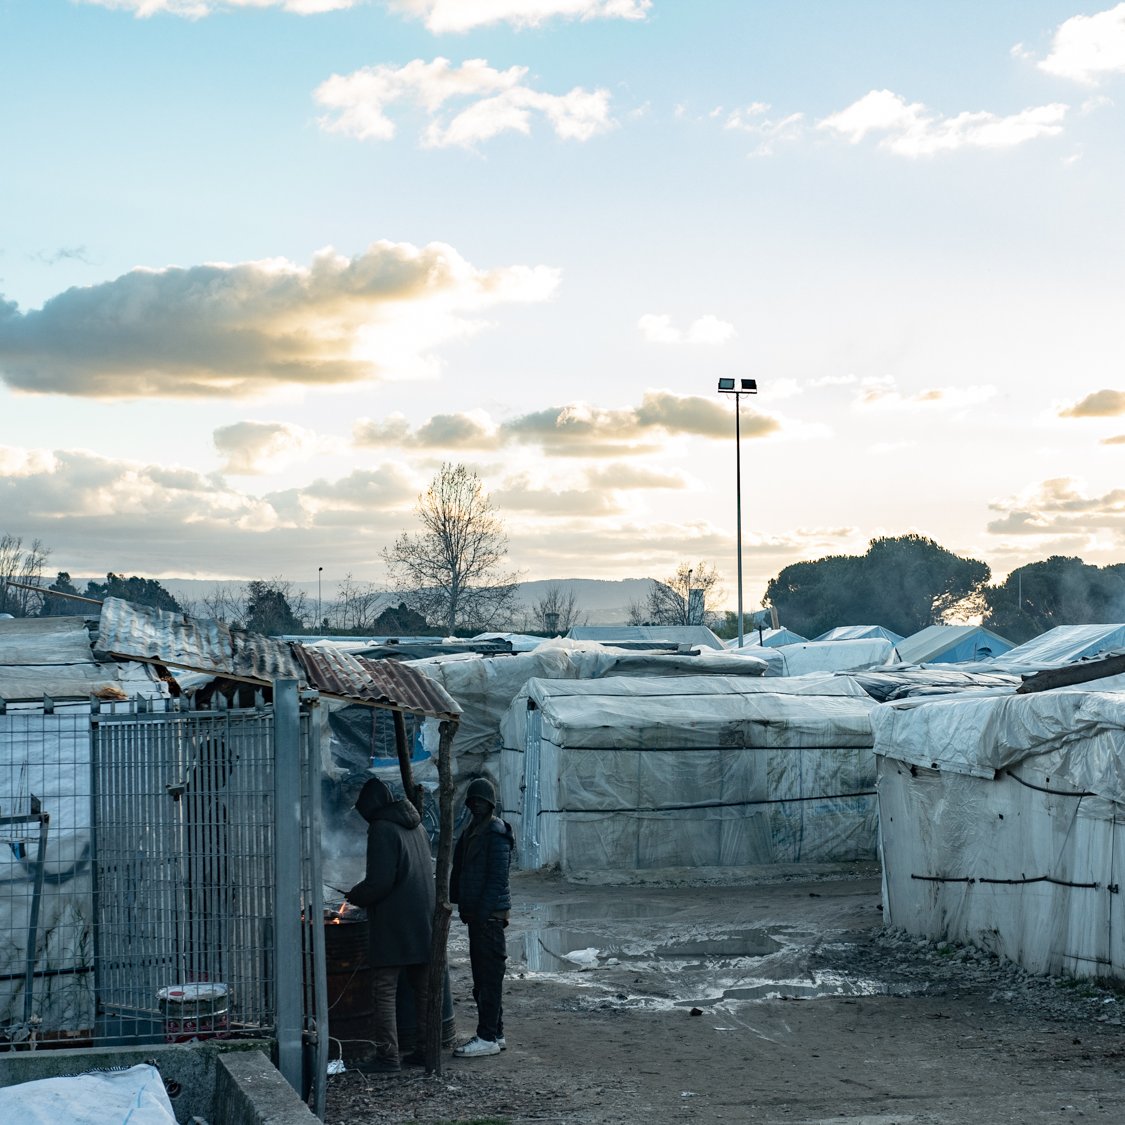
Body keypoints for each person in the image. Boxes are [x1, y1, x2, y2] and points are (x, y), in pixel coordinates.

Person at [345, 777, 434, 1072]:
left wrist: (355, 895)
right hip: (423, 919)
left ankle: (388, 1057)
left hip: (395, 923)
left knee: (383, 988)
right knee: (423, 989)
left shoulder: (382, 828)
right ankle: (426, 1050)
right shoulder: (416, 825)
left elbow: (380, 882)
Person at [450, 776, 514, 1059]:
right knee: (484, 979)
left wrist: (483, 912)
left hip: (488, 917)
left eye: (480, 801)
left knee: (488, 979)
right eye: (472, 800)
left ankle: (487, 1035)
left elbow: (498, 878)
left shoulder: (496, 832)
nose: (475, 805)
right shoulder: (474, 830)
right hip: (479, 915)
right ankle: (495, 1032)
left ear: (490, 803)